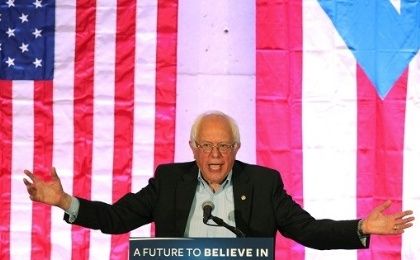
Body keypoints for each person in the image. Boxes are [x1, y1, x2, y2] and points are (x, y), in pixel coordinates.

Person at [23, 111, 414, 250]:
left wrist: (362, 227)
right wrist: (64, 201)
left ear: (236, 147)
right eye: (206, 146)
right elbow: (116, 220)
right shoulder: (168, 180)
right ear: (193, 147)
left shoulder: (263, 184)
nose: (215, 155)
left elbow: (307, 230)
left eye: (223, 146)